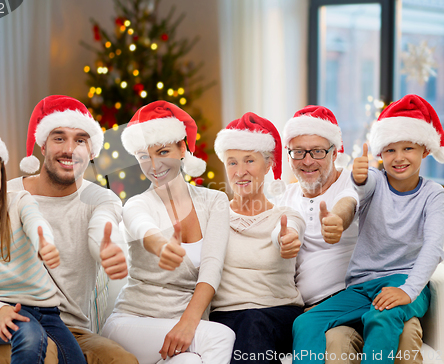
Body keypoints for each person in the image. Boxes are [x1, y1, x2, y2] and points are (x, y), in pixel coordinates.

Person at [0, 96, 138, 364]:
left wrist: (108, 247)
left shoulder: (100, 199)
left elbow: (100, 228)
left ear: (91, 150)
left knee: (122, 361)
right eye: (59, 138)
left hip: (71, 328)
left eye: (80, 140)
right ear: (42, 144)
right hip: (12, 324)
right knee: (42, 353)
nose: (70, 149)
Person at [292, 94, 444, 364]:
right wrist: (356, 181)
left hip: (406, 282)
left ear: (425, 150)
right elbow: (357, 192)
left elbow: (434, 247)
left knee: (381, 316)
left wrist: (408, 290)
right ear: (380, 154)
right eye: (389, 150)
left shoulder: (434, 195)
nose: (398, 158)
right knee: (306, 323)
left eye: (407, 148)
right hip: (362, 287)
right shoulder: (374, 179)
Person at [101, 100, 236, 364]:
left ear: (182, 148)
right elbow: (143, 228)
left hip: (181, 329)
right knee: (221, 337)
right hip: (132, 324)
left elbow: (212, 267)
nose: (153, 166)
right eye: (143, 157)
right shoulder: (137, 204)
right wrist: (162, 246)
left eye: (162, 152)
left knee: (191, 362)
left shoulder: (214, 201)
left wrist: (188, 322)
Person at [0, 125, 86, 364]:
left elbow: (36, 223)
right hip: (1, 309)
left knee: (75, 360)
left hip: (48, 311)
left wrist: (44, 243)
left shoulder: (19, 201)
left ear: (1, 173)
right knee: (30, 338)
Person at [209, 112, 305, 364]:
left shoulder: (285, 216)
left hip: (278, 314)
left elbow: (288, 232)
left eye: (249, 160)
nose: (240, 172)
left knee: (253, 323)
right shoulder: (213, 217)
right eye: (232, 162)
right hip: (225, 316)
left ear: (268, 164)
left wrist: (285, 239)